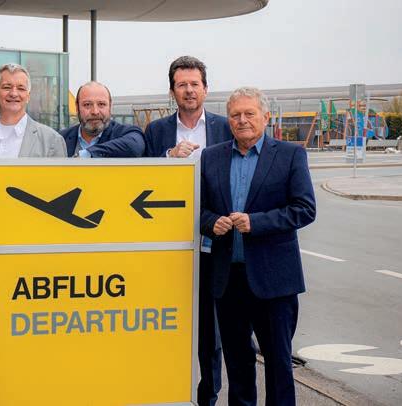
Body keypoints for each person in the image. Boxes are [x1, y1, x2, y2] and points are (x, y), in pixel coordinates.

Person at [200, 87, 316, 405]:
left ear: (265, 117)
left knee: (278, 365)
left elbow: (305, 209)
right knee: (237, 364)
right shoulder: (212, 157)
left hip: (274, 280)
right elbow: (199, 209)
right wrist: (212, 223)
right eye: (235, 115)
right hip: (228, 279)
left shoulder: (290, 155)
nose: (242, 120)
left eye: (249, 114)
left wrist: (256, 222)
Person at [144, 55, 232, 406]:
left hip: (214, 240)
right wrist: (169, 157)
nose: (189, 90)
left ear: (206, 89)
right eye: (182, 85)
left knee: (210, 332)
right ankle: (167, 392)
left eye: (195, 84)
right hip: (168, 243)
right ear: (172, 91)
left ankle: (208, 396)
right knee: (166, 324)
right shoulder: (156, 131)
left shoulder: (225, 127)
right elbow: (140, 175)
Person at [0, 63, 66, 158]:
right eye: (7, 87)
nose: (14, 94)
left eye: (21, 88)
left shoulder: (51, 140)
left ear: (28, 96)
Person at [60, 81, 145, 157]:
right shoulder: (61, 139)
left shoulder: (126, 133)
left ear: (110, 106)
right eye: (87, 104)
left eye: (101, 104)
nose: (95, 112)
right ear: (77, 107)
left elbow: (135, 146)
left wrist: (87, 154)